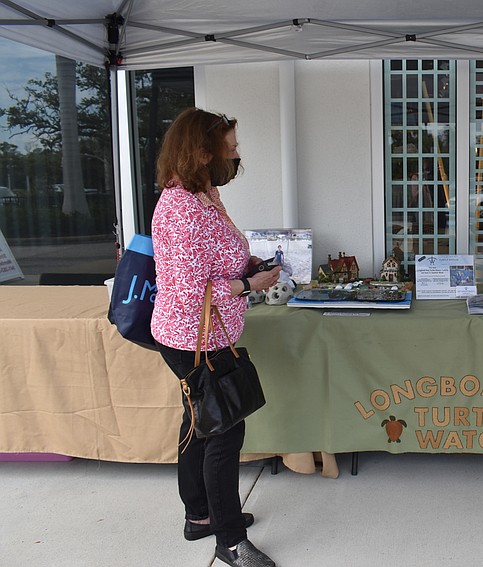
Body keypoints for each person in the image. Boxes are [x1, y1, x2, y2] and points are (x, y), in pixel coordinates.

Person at [150, 107, 281, 567]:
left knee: (198, 423)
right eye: (231, 147)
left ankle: (199, 516)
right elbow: (188, 291)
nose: (237, 153)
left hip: (204, 334)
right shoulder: (182, 209)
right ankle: (228, 541)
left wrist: (249, 265)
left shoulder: (203, 194)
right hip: (193, 339)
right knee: (224, 430)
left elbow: (215, 259)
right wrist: (251, 286)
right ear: (203, 153)